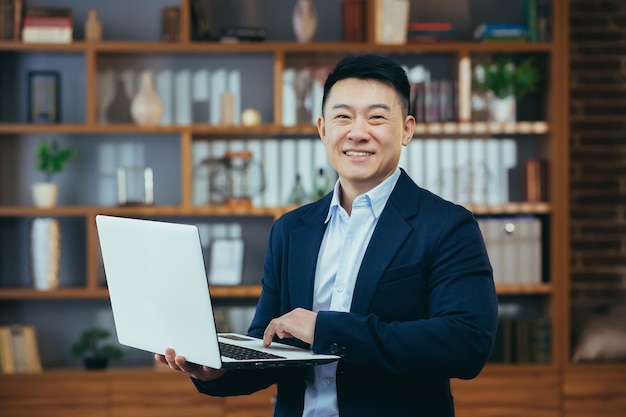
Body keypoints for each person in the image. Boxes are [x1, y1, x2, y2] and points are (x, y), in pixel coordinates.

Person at [156, 54, 498, 417]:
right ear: (322, 129)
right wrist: (216, 370)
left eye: (377, 117)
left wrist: (326, 329)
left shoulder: (448, 226)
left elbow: (465, 344)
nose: (358, 132)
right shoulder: (290, 230)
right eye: (343, 116)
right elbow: (268, 349)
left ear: (407, 129)